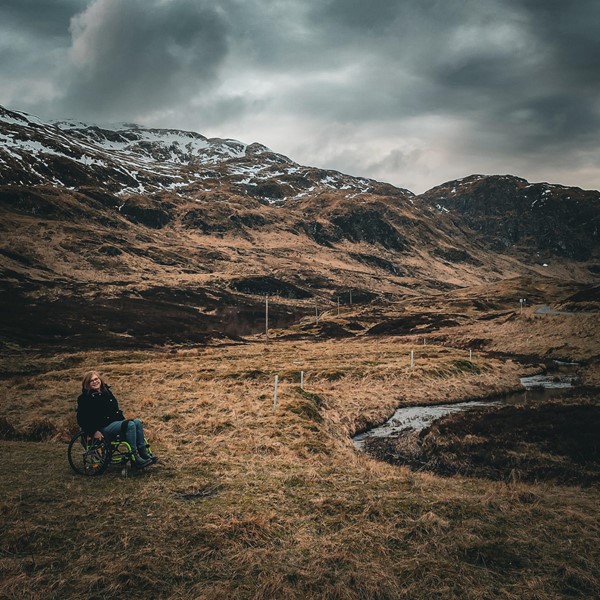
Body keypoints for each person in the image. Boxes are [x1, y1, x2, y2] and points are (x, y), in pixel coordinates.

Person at [76, 371, 157, 469]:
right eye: (91, 381)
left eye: (96, 379)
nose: (94, 382)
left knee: (137, 422)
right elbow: (82, 419)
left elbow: (115, 411)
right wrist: (94, 432)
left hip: (112, 423)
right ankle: (135, 459)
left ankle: (143, 453)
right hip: (101, 428)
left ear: (100, 379)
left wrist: (123, 422)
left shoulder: (106, 392)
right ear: (87, 384)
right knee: (130, 425)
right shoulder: (84, 398)